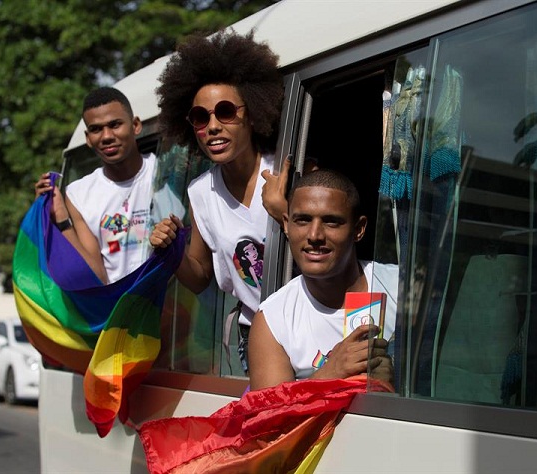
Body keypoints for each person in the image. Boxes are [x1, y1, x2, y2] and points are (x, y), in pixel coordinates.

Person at [150, 30, 289, 372]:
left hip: (308, 327)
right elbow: (198, 277)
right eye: (201, 117)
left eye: (225, 112)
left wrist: (285, 213)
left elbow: (333, 248)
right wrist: (171, 250)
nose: (212, 126)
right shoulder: (201, 193)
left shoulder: (288, 168)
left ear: (252, 114)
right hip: (253, 337)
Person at [248, 169, 398, 390]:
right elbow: (269, 419)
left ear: (358, 229)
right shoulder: (273, 319)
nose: (315, 235)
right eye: (303, 220)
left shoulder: (399, 287)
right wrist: (330, 373)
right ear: (287, 225)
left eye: (331, 222)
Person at [35, 87, 180, 284]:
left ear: (135, 125)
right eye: (96, 129)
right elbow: (97, 275)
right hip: (115, 309)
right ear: (88, 138)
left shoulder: (167, 172)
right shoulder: (78, 195)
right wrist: (59, 219)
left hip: (173, 305)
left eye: (115, 125)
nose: (106, 136)